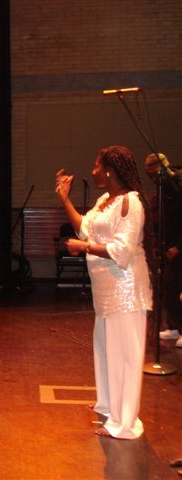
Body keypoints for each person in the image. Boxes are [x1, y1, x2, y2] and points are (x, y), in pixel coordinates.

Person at [56, 145, 154, 439]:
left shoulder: (132, 203)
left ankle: (124, 424)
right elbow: (85, 229)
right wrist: (64, 199)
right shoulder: (105, 200)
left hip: (126, 289)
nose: (93, 170)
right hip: (106, 291)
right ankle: (111, 406)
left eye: (97, 166)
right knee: (107, 349)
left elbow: (122, 251)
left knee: (125, 355)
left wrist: (82, 248)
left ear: (110, 170)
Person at [143, 154, 182, 346]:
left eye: (155, 173)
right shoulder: (162, 190)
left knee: (175, 287)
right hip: (167, 247)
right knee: (167, 288)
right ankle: (175, 327)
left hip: (178, 247)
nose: (152, 179)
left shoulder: (178, 186)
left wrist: (178, 247)